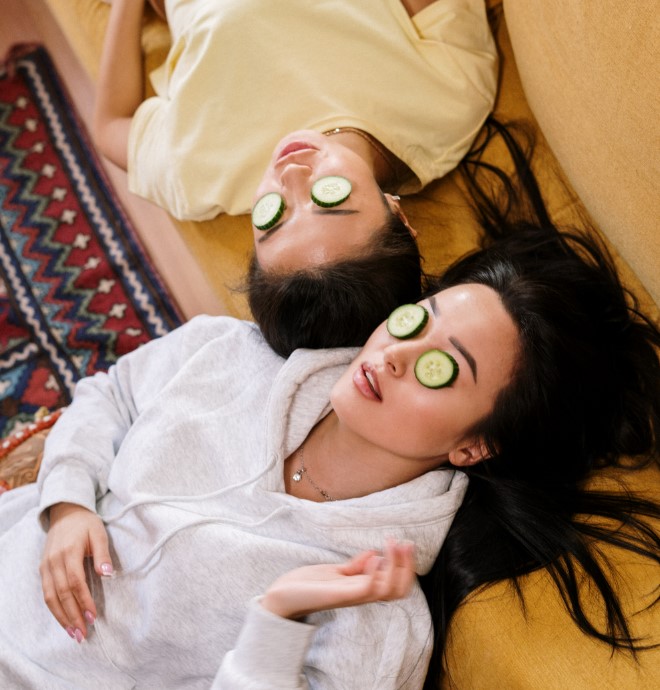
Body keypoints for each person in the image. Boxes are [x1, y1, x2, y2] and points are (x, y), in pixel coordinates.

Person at [92, 0, 498, 355]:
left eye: (272, 215)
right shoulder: (448, 100)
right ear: (399, 216)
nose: (291, 176)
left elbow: (111, 126)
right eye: (330, 198)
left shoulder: (196, 173)